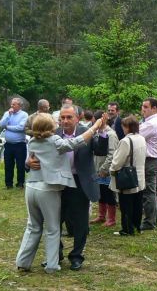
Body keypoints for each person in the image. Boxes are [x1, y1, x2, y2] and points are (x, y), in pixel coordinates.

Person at [16, 113, 106, 273]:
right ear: (49, 126)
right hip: (50, 187)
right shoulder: (54, 138)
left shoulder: (32, 140)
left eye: (68, 117)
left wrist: (100, 130)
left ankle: (24, 261)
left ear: (77, 118)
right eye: (58, 119)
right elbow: (74, 143)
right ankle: (52, 263)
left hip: (38, 186)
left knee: (34, 226)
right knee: (52, 227)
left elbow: (99, 149)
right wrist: (94, 127)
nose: (61, 121)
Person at [109, 115, 147, 236]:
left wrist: (112, 169)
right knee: (137, 203)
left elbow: (118, 161)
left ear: (127, 127)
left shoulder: (125, 141)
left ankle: (127, 229)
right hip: (140, 175)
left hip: (128, 176)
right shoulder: (141, 138)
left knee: (126, 205)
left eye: (123, 126)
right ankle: (137, 226)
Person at [139, 98, 157, 231]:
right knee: (155, 190)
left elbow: (136, 135)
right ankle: (156, 217)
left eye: (145, 107)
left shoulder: (151, 124)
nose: (142, 109)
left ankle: (149, 221)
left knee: (149, 192)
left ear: (154, 108)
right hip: (156, 158)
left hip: (150, 160)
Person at [90, 109, 119, 227]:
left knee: (109, 193)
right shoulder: (97, 133)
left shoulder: (111, 134)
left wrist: (104, 169)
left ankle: (111, 219)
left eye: (94, 121)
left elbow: (112, 154)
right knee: (100, 193)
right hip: (97, 169)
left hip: (106, 171)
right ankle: (101, 216)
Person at [0, 97, 28, 189]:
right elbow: (1, 125)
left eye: (14, 104)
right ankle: (8, 184)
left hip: (20, 144)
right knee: (8, 165)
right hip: (8, 144)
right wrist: (8, 115)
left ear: (19, 106)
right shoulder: (7, 113)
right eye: (11, 104)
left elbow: (21, 128)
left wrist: (7, 127)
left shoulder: (24, 115)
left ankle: (20, 183)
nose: (11, 106)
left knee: (20, 165)